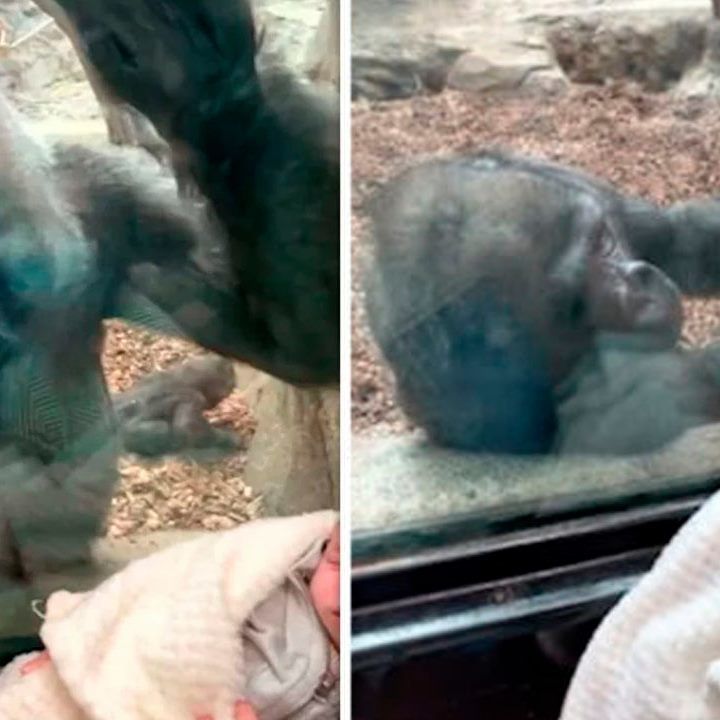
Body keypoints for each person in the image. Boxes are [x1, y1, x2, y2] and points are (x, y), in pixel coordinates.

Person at [0, 512, 340, 719]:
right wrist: (76, 646)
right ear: (322, 550)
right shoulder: (272, 581)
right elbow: (158, 591)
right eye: (337, 562)